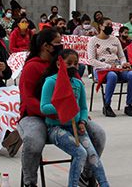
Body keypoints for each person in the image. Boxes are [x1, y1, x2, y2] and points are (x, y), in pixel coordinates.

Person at [18, 28, 106, 187]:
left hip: (68, 118)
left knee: (98, 134)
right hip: (35, 115)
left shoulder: (66, 64)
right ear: (46, 46)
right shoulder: (32, 67)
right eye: (58, 43)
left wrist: (82, 118)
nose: (62, 45)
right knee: (33, 139)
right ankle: (29, 182)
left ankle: (86, 175)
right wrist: (55, 113)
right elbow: (28, 99)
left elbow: (78, 97)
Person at [39, 49, 109, 187]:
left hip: (76, 126)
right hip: (56, 128)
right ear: (59, 64)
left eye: (76, 64)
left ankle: (104, 184)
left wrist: (82, 121)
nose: (73, 66)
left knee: (92, 155)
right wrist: (63, 106)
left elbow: (83, 107)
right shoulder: (51, 82)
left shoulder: (77, 84)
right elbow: (44, 107)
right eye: (69, 63)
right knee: (80, 153)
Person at [87, 18, 132, 117]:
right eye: (108, 25)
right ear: (101, 26)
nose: (110, 27)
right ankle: (107, 105)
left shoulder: (115, 39)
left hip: (117, 67)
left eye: (111, 25)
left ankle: (129, 104)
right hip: (102, 69)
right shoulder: (93, 41)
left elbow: (121, 56)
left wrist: (124, 63)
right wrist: (108, 66)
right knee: (112, 75)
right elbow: (91, 60)